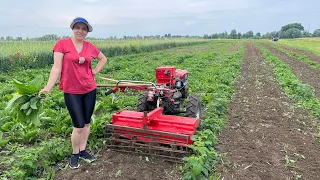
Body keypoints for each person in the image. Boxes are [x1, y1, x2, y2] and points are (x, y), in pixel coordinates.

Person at [39, 17, 107, 169]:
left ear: (87, 31)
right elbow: (56, 68)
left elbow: (103, 58)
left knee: (87, 122)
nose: (80, 31)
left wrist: (95, 71)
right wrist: (48, 88)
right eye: (78, 27)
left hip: (89, 88)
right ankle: (75, 153)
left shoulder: (89, 46)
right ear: (72, 28)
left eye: (84, 29)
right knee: (78, 126)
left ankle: (83, 150)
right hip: (71, 90)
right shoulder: (62, 44)